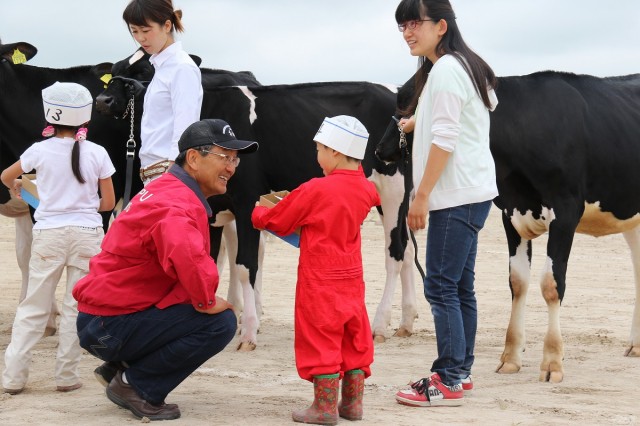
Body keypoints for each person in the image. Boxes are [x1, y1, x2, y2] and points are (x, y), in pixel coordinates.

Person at [73, 119, 258, 421]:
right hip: (107, 327)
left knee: (188, 300)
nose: (232, 167)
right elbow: (192, 264)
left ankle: (120, 368)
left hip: (99, 319)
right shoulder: (177, 205)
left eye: (235, 159)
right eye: (225, 157)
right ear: (194, 159)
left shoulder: (164, 188)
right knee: (220, 322)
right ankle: (136, 385)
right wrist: (209, 301)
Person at [391, 0, 499, 407]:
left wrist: (420, 197)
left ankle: (449, 376)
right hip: (473, 192)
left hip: (453, 196)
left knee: (439, 285)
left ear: (440, 25)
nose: (407, 32)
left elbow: (447, 138)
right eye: (402, 25)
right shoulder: (463, 65)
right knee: (458, 287)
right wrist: (417, 120)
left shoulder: (449, 69)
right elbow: (475, 111)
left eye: (414, 23)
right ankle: (461, 372)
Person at [252, 115, 380, 425]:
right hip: (351, 274)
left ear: (335, 151)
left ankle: (323, 408)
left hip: (319, 276)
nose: (317, 155)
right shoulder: (366, 190)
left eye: (319, 148)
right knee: (353, 333)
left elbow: (275, 220)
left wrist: (261, 209)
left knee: (320, 334)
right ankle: (352, 404)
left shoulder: (315, 189)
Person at [1, 82, 116, 395]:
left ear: (50, 114)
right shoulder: (98, 153)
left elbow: (6, 176)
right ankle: (66, 377)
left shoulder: (39, 150)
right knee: (76, 308)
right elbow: (108, 204)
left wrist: (18, 189)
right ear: (85, 117)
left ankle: (13, 378)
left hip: (49, 234)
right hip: (87, 235)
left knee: (33, 306)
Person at [123, 0, 203, 185]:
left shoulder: (181, 68)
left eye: (145, 30)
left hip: (170, 173)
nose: (141, 38)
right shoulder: (163, 68)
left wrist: (174, 173)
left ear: (167, 25)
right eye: (134, 31)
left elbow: (186, 125)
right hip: (155, 173)